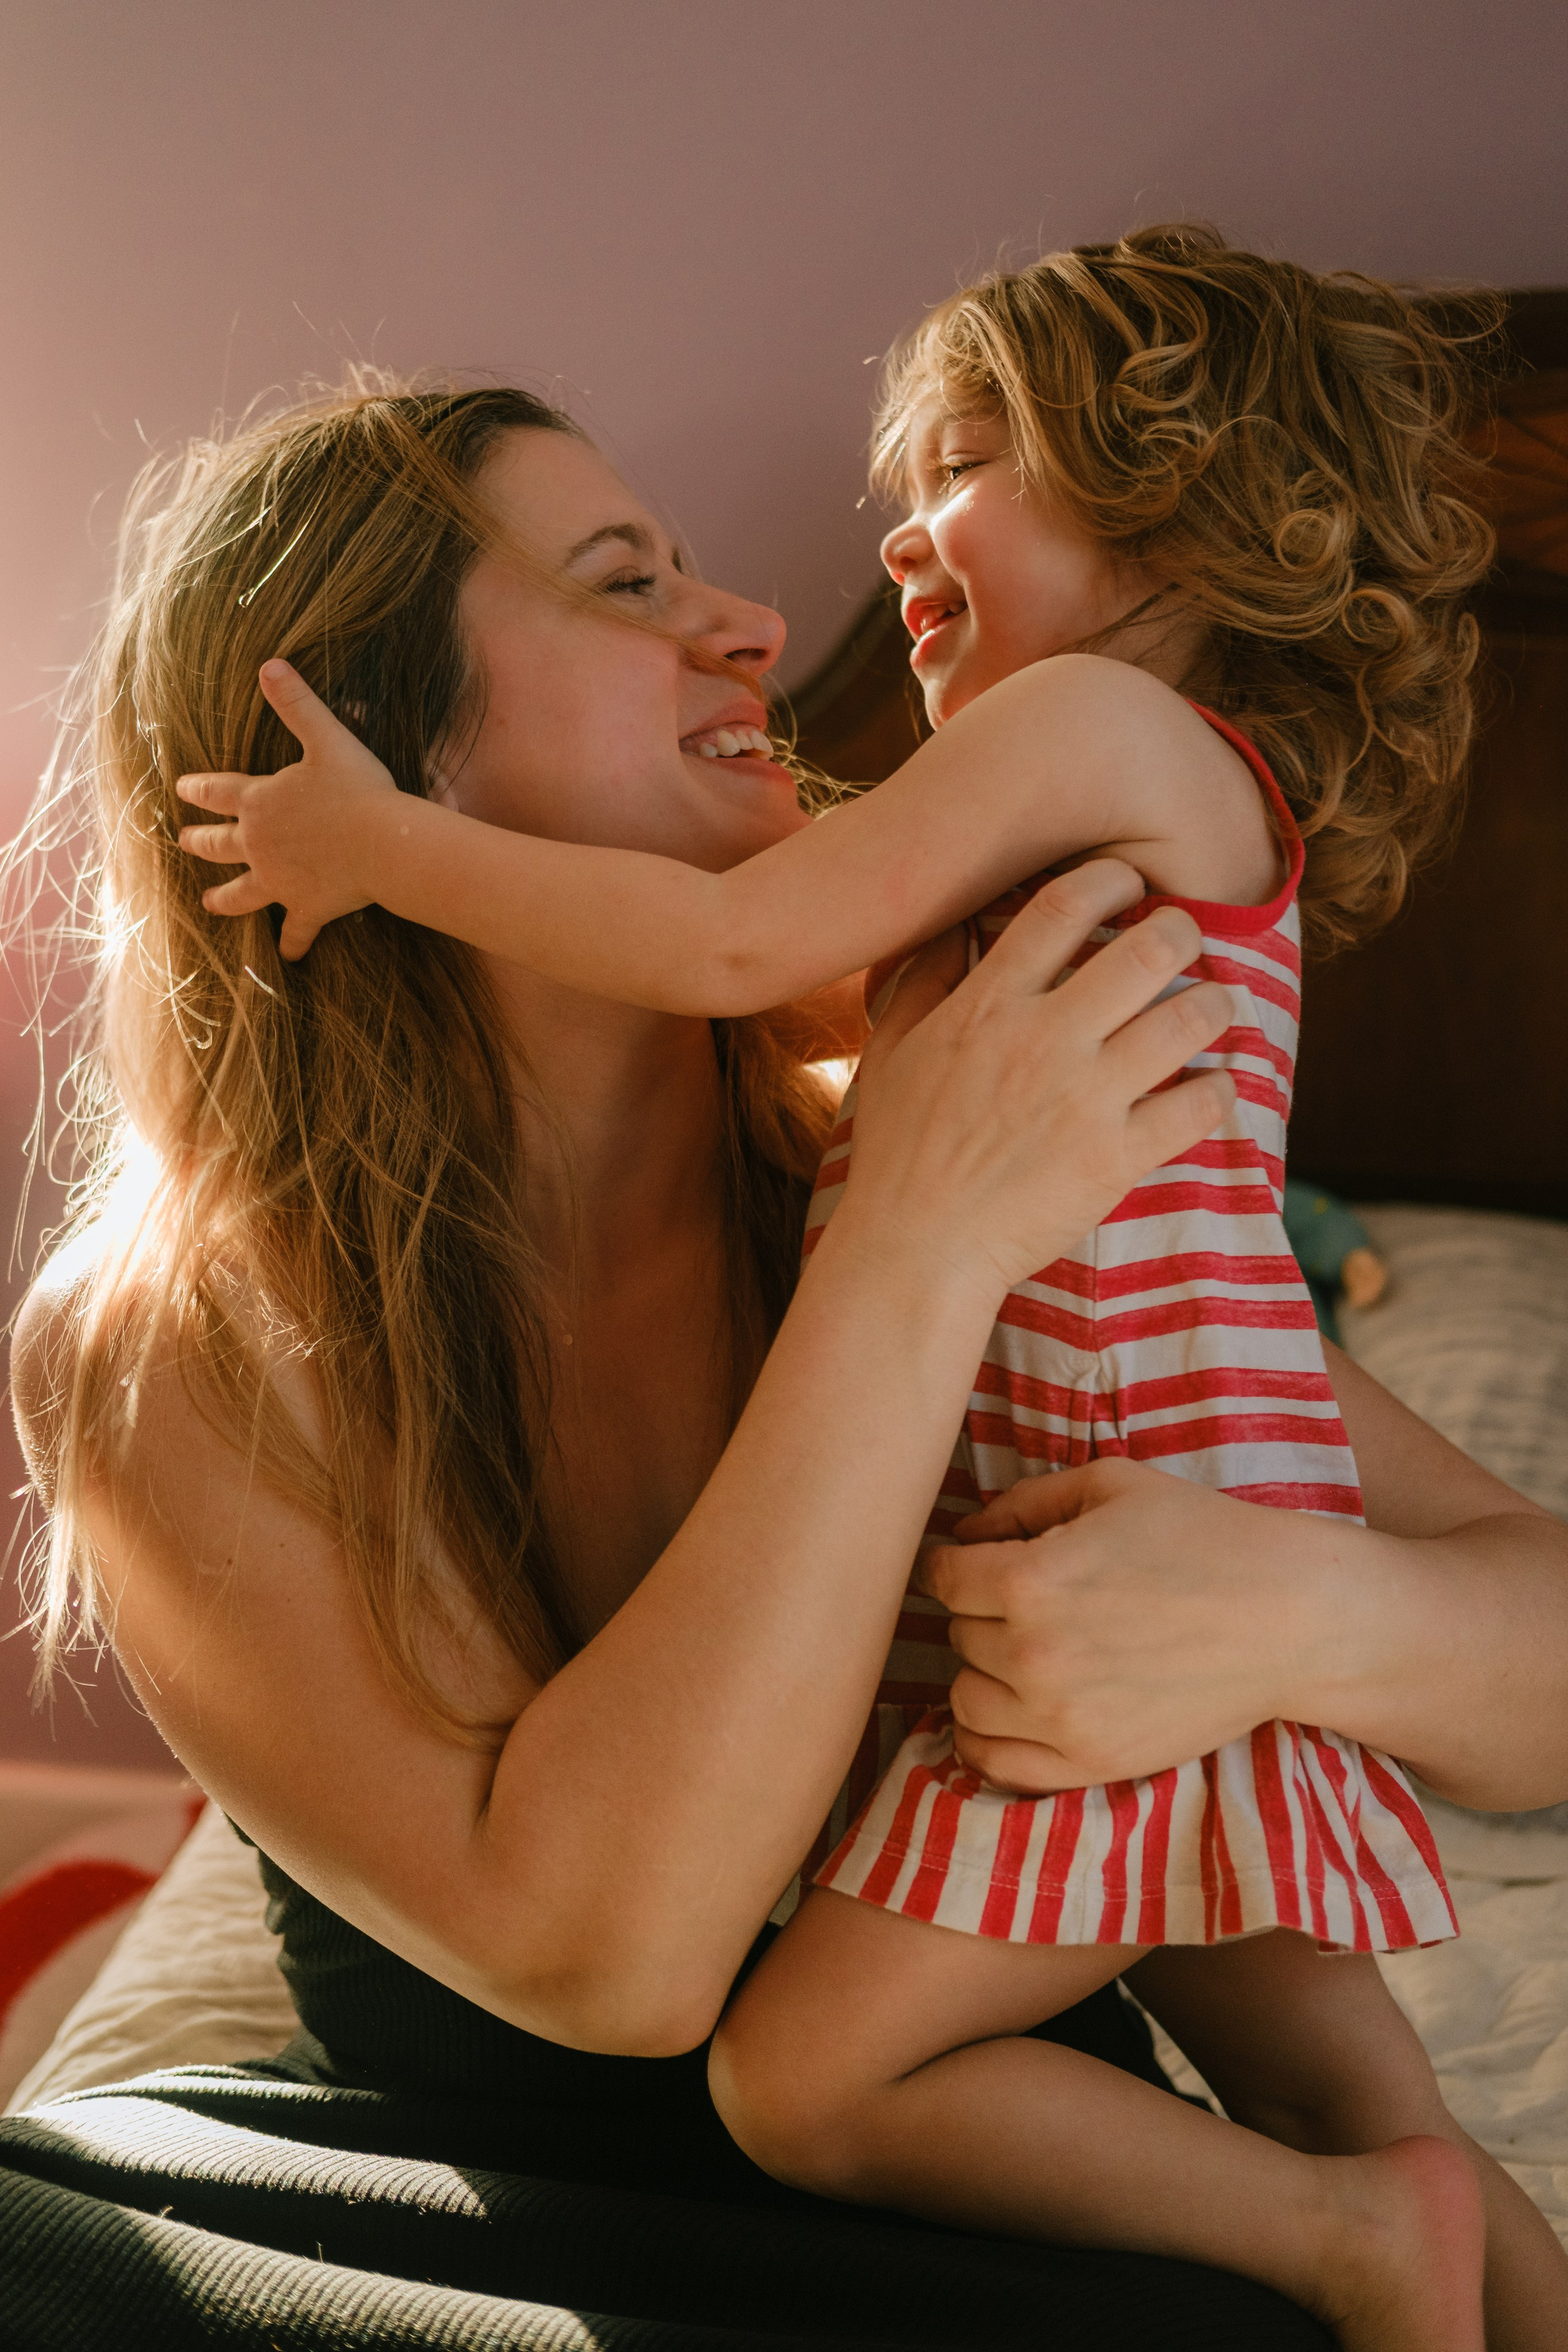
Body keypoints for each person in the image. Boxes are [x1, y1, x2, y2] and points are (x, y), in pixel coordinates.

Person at [2, 351, 1563, 2351]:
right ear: (380, 743)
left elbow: (1541, 1658)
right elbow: (622, 1963)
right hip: (447, 2229)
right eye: (627, 579)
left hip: (988, 2228)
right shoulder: (174, 1349)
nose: (746, 625)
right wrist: (912, 1246)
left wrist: (1298, 1609)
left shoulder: (938, 1130)